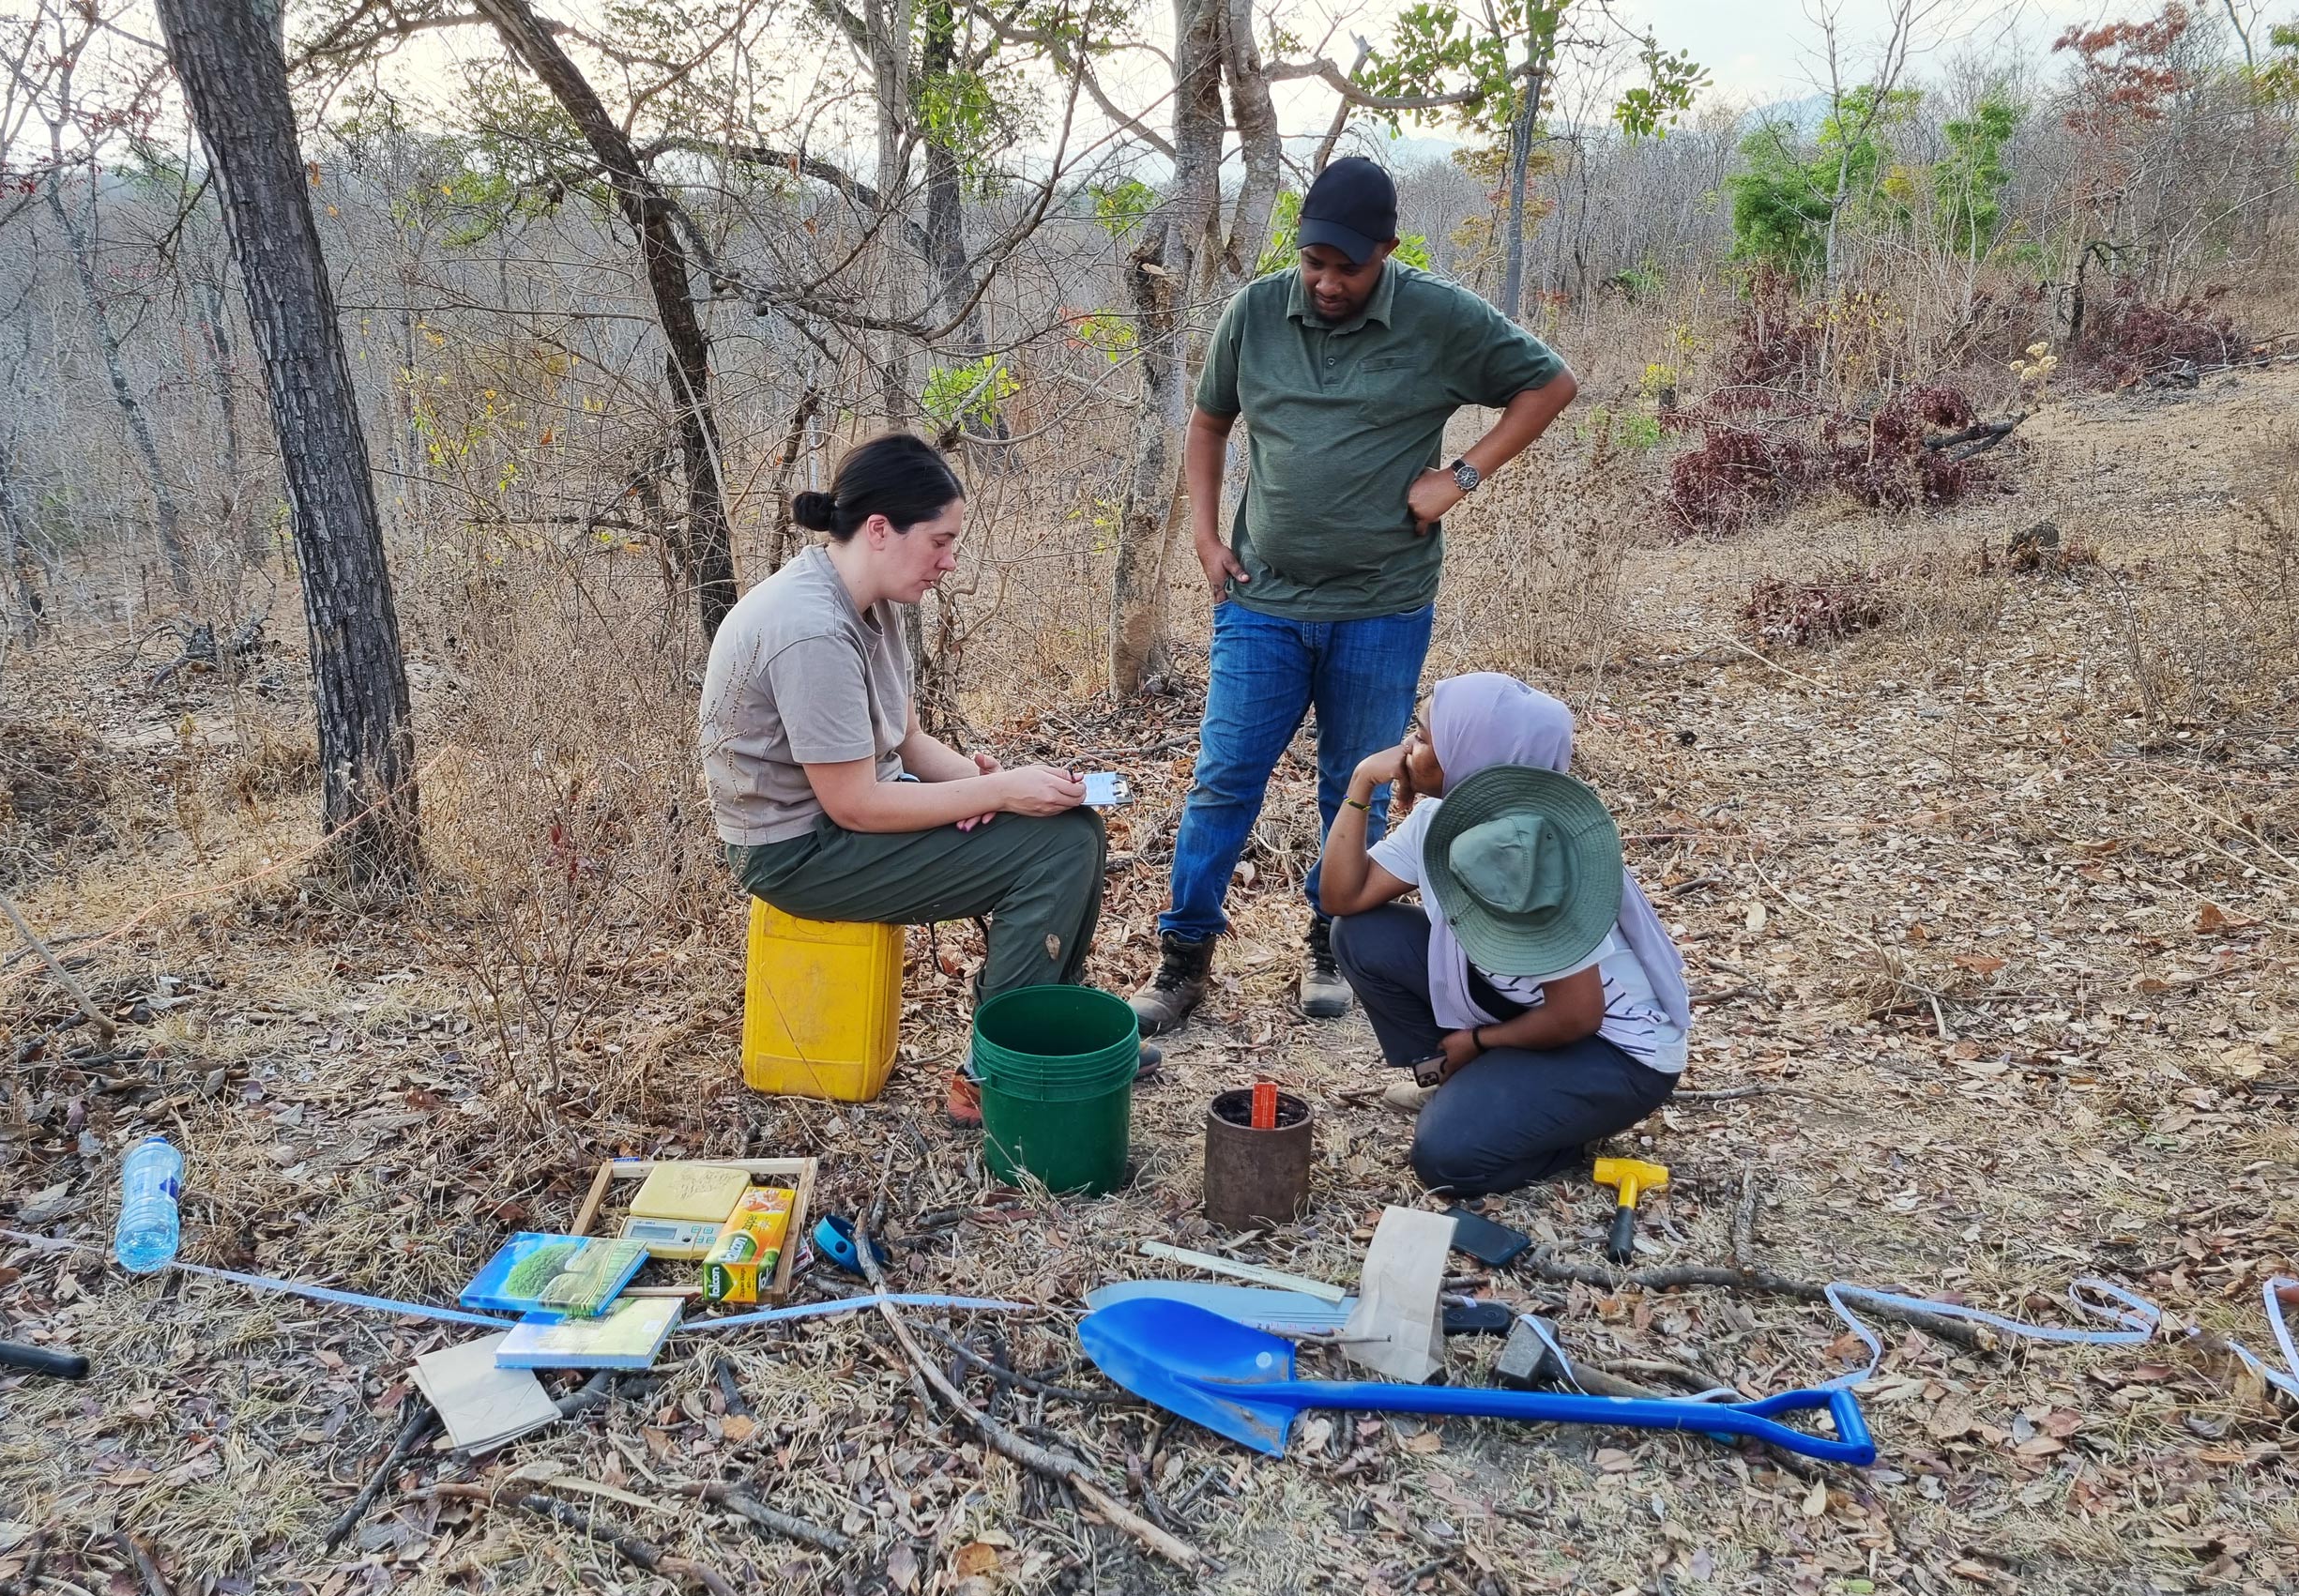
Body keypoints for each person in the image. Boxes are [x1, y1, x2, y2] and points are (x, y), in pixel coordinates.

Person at [1131, 155, 1578, 1038]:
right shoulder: (1256, 312)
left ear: (1387, 252)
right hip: (1264, 600)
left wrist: (1462, 475)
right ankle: (1184, 956)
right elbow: (1209, 421)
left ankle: (1330, 940)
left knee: (1357, 780)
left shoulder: (1440, 318)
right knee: (1225, 778)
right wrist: (1207, 536)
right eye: (1314, 263)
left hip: (1383, 604)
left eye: (1348, 266)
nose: (1328, 282)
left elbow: (1551, 384)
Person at [700, 433, 1149, 1124]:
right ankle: (996, 1075)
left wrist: (975, 779)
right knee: (1056, 848)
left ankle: (1049, 1035)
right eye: (939, 541)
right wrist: (994, 792)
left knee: (1070, 824)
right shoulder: (810, 628)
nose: (949, 561)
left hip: (846, 822)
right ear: (880, 530)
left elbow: (903, 741)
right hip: (794, 853)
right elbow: (853, 805)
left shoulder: (871, 601)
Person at [1318, 674, 1691, 1196]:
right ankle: (1467, 1084)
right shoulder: (1439, 821)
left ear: (1471, 755)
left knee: (1446, 1161)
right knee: (1362, 933)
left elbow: (1578, 1014)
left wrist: (1475, 1041)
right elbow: (1341, 898)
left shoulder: (1535, 859)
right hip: (1535, 1008)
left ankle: (1552, 1133)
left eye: (1424, 737)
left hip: (1616, 1052)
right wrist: (1359, 785)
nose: (1407, 748)